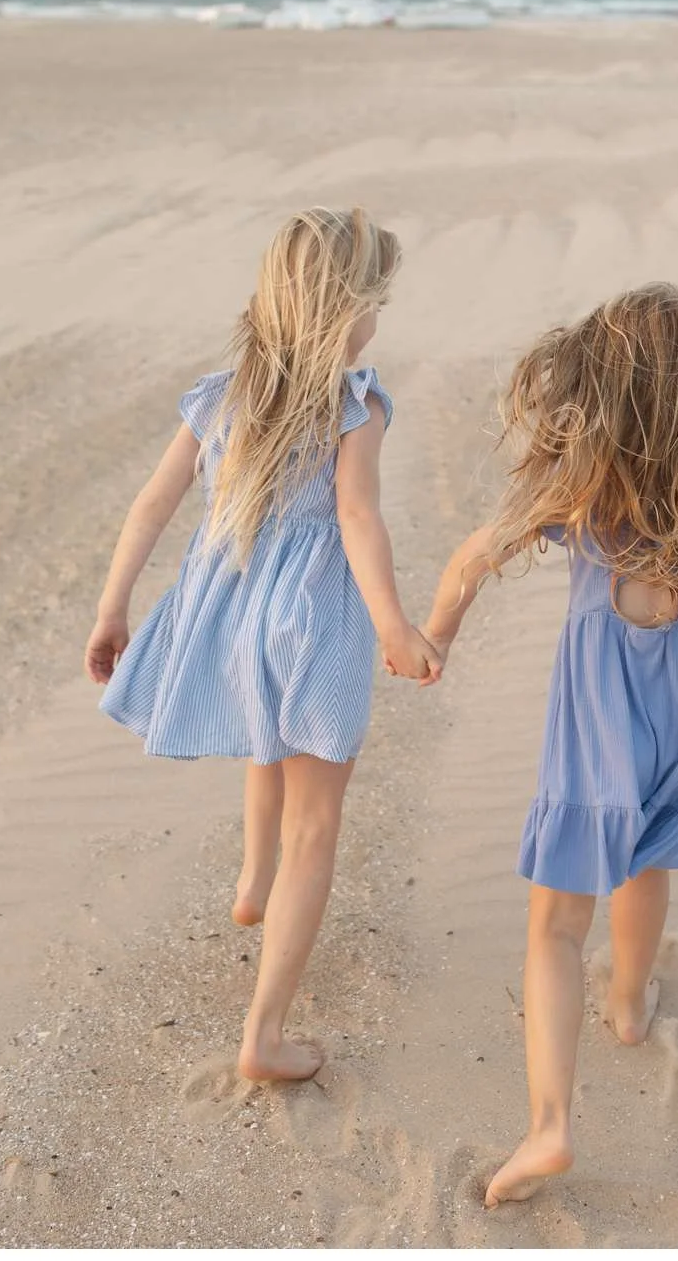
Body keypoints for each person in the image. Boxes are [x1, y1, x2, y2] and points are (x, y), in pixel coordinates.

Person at [422, 283, 678, 1206]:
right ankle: (629, 1007)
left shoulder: (583, 497)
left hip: (599, 740)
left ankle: (550, 1125)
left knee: (555, 925)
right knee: (650, 855)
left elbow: (472, 559)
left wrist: (433, 637)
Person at [84, 207, 441, 1082]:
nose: (377, 321)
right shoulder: (357, 402)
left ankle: (252, 883)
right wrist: (394, 623)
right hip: (313, 621)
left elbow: (150, 506)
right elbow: (356, 517)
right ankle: (263, 1038)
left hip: (230, 614)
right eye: (374, 303)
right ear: (342, 308)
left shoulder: (220, 394)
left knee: (262, 734)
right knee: (316, 823)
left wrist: (112, 607)